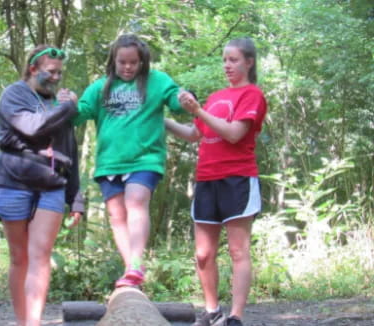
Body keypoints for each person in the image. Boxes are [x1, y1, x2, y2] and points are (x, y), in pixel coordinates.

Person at [165, 38, 267, 326]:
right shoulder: (215, 97)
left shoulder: (252, 95)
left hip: (237, 178)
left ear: (249, 62)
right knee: (202, 253)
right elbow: (194, 134)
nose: (227, 65)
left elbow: (234, 133)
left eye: (234, 60)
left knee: (237, 250)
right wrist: (159, 121)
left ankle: (235, 316)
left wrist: (198, 110)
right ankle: (212, 311)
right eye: (225, 60)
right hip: (206, 179)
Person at [75, 34, 187, 287]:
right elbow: (78, 115)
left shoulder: (157, 81)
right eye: (122, 62)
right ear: (113, 61)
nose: (127, 67)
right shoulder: (99, 88)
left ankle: (137, 261)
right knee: (117, 216)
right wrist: (66, 104)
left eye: (133, 62)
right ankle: (131, 269)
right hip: (110, 162)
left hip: (145, 158)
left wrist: (184, 99)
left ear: (142, 62)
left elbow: (176, 102)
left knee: (136, 201)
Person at [0, 45, 84, 326]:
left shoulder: (59, 103)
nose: (56, 77)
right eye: (50, 72)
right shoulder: (14, 94)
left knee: (41, 255)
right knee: (20, 257)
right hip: (13, 180)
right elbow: (31, 127)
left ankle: (34, 322)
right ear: (33, 69)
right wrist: (67, 107)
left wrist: (75, 197)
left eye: (60, 73)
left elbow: (70, 149)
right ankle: (22, 322)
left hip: (52, 183)